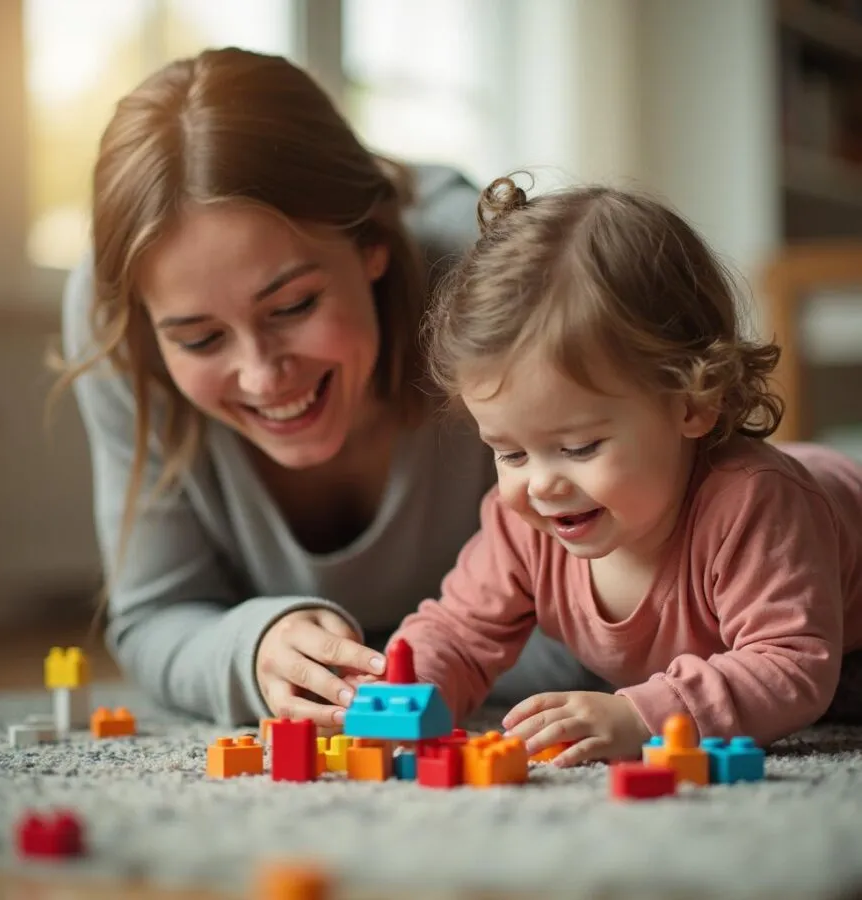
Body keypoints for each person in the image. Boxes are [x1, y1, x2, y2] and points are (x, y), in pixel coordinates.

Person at [56, 48, 608, 729]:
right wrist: (254, 647)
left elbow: (616, 609)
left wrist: (409, 669)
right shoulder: (111, 316)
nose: (261, 376)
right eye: (199, 340)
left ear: (373, 243)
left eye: (291, 307)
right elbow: (153, 616)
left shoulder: (497, 286)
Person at [391, 174, 862, 766]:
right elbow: (457, 634)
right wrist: (403, 693)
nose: (540, 485)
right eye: (510, 453)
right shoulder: (525, 524)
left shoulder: (753, 505)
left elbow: (790, 664)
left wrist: (645, 715)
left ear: (692, 403)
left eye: (581, 447)